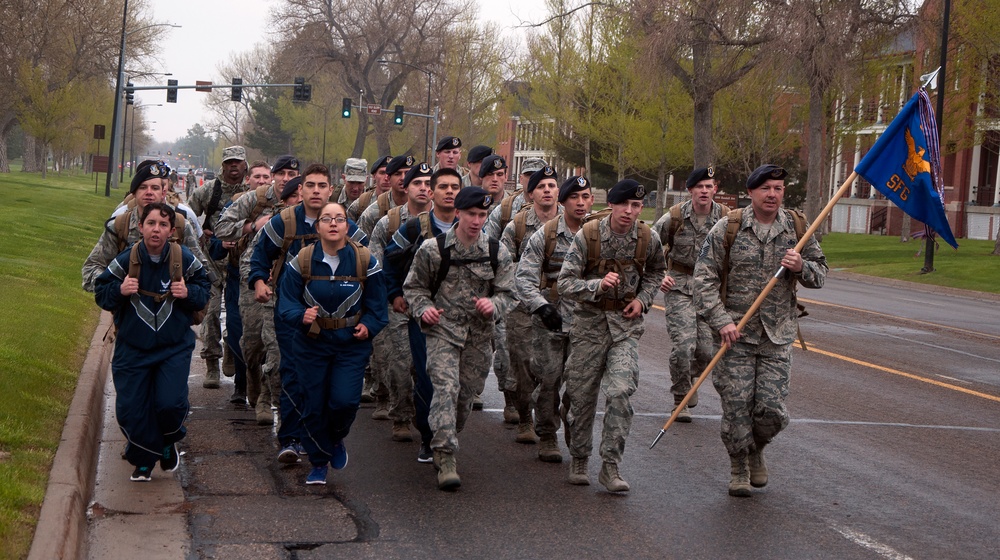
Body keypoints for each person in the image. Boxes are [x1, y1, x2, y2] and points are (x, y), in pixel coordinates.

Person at [694, 164, 827, 497]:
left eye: (779, 188)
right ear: (751, 192)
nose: (772, 194)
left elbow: (820, 275)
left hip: (777, 335)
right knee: (737, 406)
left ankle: (756, 448)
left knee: (772, 411)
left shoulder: (798, 227)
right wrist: (721, 320)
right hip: (734, 335)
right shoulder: (729, 228)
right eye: (766, 188)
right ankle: (739, 465)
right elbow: (703, 280)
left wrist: (802, 267)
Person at [249, 163, 367, 464]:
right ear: (300, 190)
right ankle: (289, 438)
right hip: (292, 312)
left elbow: (368, 262)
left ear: (331, 190)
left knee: (324, 380)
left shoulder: (344, 224)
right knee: (291, 373)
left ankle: (320, 436)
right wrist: (260, 281)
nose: (316, 191)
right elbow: (259, 256)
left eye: (321, 186)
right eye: (310, 185)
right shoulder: (284, 222)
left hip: (333, 317)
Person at [557, 179, 666, 492]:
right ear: (612, 205)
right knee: (581, 397)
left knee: (620, 391)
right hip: (588, 328)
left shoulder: (648, 237)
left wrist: (642, 300)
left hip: (624, 330)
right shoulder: (588, 236)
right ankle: (579, 458)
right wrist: (597, 286)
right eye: (624, 205)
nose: (630, 212)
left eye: (635, 206)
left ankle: (610, 466)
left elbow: (657, 272)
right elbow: (565, 284)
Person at [403, 187, 515, 490]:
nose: (476, 221)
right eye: (471, 214)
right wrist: (423, 309)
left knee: (465, 398)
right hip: (442, 331)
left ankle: (448, 435)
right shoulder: (433, 249)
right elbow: (414, 288)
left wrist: (494, 305)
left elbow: (508, 292)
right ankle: (446, 454)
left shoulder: (496, 251)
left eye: (482, 215)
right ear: (459, 213)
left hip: (478, 338)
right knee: (446, 388)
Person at [94, 202, 211, 481]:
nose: (155, 230)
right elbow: (101, 291)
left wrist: (188, 292)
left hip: (173, 348)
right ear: (140, 227)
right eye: (150, 223)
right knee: (131, 409)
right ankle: (143, 460)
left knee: (169, 404)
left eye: (162, 225)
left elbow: (204, 289)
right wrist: (120, 290)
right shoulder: (126, 259)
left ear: (171, 230)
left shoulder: (182, 258)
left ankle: (167, 441)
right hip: (133, 348)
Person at [277, 202, 388, 485]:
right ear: (318, 227)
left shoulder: (366, 261)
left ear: (347, 226)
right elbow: (285, 302)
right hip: (311, 343)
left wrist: (369, 326)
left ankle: (336, 438)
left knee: (344, 401)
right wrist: (300, 315)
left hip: (350, 345)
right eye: (327, 219)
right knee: (313, 404)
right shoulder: (301, 260)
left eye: (340, 218)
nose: (334, 223)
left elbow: (378, 307)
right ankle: (318, 462)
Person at [383, 168, 462, 463]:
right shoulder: (414, 229)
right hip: (423, 315)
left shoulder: (471, 227)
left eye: (455, 187)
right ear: (431, 192)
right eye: (443, 186)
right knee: (428, 378)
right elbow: (389, 262)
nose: (450, 192)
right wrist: (396, 295)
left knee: (460, 383)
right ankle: (430, 438)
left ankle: (449, 430)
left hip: (460, 319)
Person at [513, 175, 594, 463]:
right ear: (563, 202)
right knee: (548, 380)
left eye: (586, 197)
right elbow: (523, 279)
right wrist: (541, 307)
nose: (581, 203)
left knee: (580, 385)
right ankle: (547, 434)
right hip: (551, 321)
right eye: (575, 197)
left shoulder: (598, 233)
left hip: (586, 323)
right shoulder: (545, 235)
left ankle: (575, 434)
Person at [652, 166, 730, 422]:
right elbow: (648, 245)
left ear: (715, 189)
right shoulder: (674, 217)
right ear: (690, 190)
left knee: (707, 351)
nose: (705, 191)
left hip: (710, 290)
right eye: (700, 187)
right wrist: (660, 274)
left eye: (709, 186)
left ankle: (688, 378)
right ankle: (680, 399)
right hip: (679, 286)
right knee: (684, 345)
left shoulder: (727, 219)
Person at [369, 162, 434, 442]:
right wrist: (393, 295)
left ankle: (426, 416)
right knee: (399, 362)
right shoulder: (389, 222)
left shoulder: (444, 222)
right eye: (417, 183)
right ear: (405, 188)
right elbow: (376, 265)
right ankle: (401, 415)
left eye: (428, 183)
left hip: (431, 306)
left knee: (428, 366)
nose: (423, 188)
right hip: (397, 304)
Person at [82, 161, 211, 293]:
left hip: (173, 310)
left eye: (155, 188)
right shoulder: (119, 225)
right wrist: (117, 287)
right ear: (134, 193)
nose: (149, 192)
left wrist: (187, 290)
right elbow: (90, 269)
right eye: (143, 187)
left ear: (163, 192)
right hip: (128, 310)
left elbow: (204, 274)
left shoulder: (181, 225)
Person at [235, 175, 303, 425]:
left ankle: (272, 404)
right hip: (267, 296)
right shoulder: (276, 226)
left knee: (277, 358)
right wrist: (261, 281)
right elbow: (248, 261)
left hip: (295, 304)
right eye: (293, 197)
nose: (298, 200)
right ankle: (254, 378)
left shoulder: (321, 224)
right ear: (284, 202)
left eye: (301, 195)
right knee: (253, 349)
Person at [501, 166, 561, 445]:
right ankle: (525, 418)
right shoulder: (518, 226)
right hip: (522, 305)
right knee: (523, 364)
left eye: (552, 185)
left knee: (552, 369)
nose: (547, 190)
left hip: (557, 308)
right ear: (531, 193)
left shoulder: (572, 222)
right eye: (541, 186)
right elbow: (502, 264)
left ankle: (547, 421)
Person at [188, 145, 250, 389]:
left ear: (245, 165)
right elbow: (186, 219)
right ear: (223, 166)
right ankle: (212, 362)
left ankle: (232, 349)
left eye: (238, 162)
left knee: (239, 317)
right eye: (229, 162)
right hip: (211, 264)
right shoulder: (208, 191)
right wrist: (200, 231)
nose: (233, 166)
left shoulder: (252, 193)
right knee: (211, 314)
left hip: (240, 265)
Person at [348, 155, 392, 222]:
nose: (386, 178)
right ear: (374, 176)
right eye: (382, 173)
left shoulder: (404, 203)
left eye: (390, 173)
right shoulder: (361, 203)